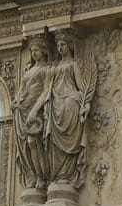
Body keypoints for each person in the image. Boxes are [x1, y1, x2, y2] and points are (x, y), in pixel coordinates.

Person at [47, 30, 98, 186]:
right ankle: (58, 175)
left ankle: (68, 174)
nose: (60, 48)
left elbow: (81, 85)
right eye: (58, 45)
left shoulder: (73, 64)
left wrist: (86, 103)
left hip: (70, 101)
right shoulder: (55, 66)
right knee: (55, 145)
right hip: (55, 104)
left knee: (69, 139)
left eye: (63, 44)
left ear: (69, 46)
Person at [13, 34, 54, 193]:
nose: (33, 53)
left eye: (36, 50)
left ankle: (41, 176)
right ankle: (34, 174)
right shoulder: (28, 71)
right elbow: (22, 90)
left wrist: (35, 110)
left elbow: (46, 91)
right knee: (27, 144)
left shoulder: (47, 70)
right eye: (31, 51)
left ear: (43, 51)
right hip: (24, 109)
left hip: (36, 109)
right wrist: (17, 101)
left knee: (35, 142)